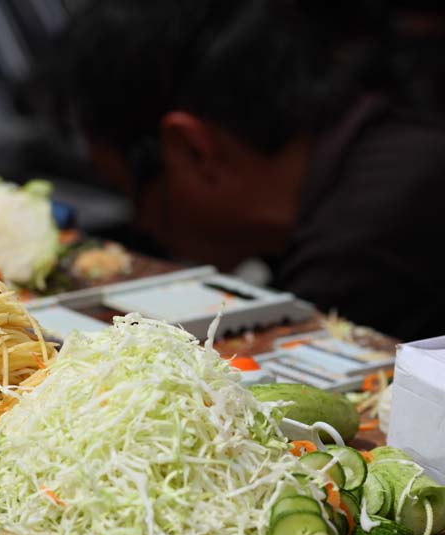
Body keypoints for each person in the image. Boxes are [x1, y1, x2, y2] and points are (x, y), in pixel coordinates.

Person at [65, 0, 445, 341]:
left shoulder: (360, 248)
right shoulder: (369, 131)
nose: (143, 225)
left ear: (195, 151)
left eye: (128, 190)